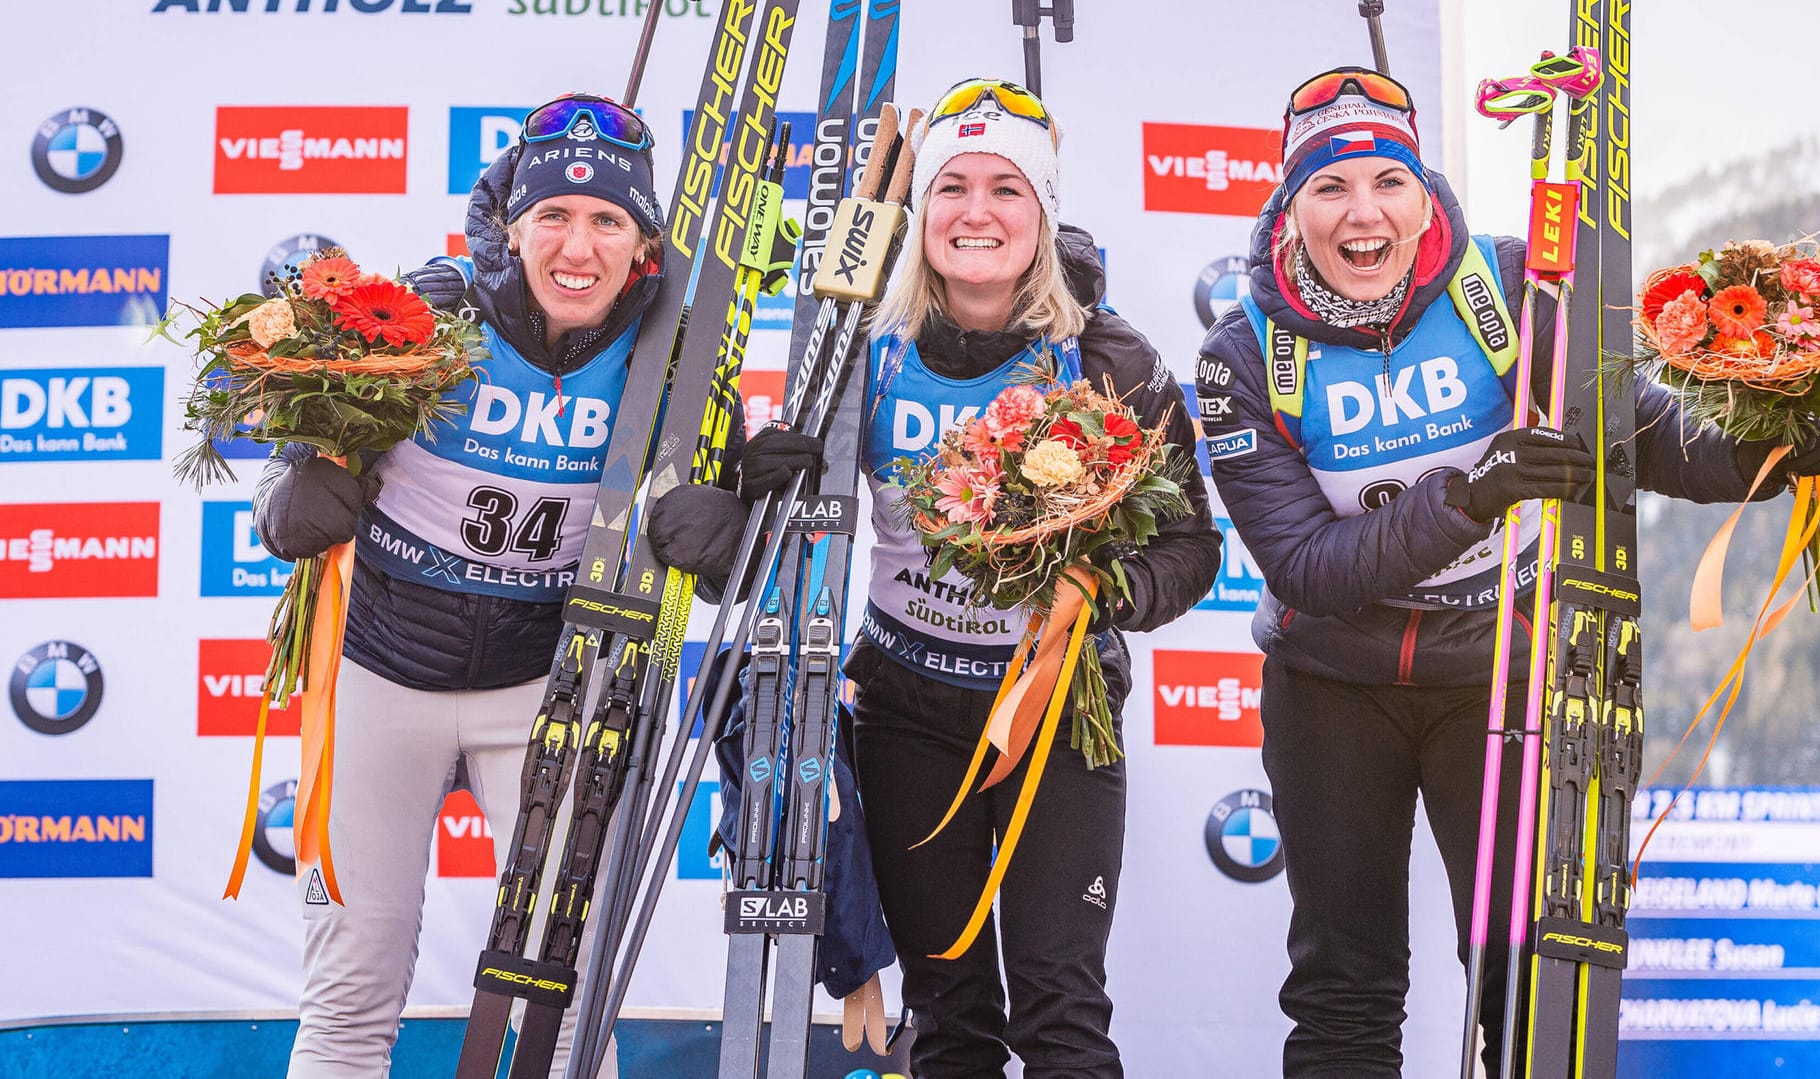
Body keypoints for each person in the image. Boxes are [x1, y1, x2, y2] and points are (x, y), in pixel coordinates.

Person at [1194, 67, 1820, 1077]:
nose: (1363, 214)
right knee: (1345, 983)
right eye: (1328, 187)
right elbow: (1308, 567)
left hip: (1496, 670)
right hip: (1332, 686)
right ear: (1290, 208)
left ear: (1422, 191)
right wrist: (1467, 495)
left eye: (1387, 183)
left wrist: (1768, 444)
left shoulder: (1504, 285)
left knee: (1520, 980)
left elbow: (1643, 439)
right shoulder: (1245, 355)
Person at [253, 92, 821, 1078]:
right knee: (348, 998)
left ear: (643, 244)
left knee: (564, 1011)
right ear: (511, 227)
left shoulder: (676, 356)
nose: (578, 244)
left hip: (546, 691)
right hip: (378, 677)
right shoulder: (429, 316)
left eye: (608, 220)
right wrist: (302, 483)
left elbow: (723, 560)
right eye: (553, 214)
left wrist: (739, 508)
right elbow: (287, 488)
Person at [847, 78, 1222, 1079]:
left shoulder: (1108, 358)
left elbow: (1193, 548)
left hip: (1059, 703)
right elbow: (792, 511)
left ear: (1045, 214)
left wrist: (1101, 590)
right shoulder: (865, 353)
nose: (977, 212)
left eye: (1007, 189)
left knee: (1061, 1010)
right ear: (920, 210)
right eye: (952, 186)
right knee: (950, 1012)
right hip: (908, 708)